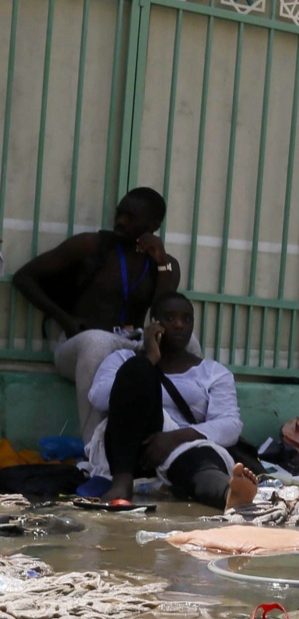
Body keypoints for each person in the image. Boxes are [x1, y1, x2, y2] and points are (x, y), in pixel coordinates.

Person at [13, 188, 183, 443]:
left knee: (186, 342)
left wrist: (161, 262)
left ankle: (181, 439)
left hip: (131, 346)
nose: (121, 221)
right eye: (119, 213)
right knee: (97, 341)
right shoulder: (92, 246)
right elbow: (23, 278)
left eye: (131, 217)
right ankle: (95, 451)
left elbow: (163, 315)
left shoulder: (164, 264)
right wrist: (65, 320)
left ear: (153, 225)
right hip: (82, 346)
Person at [84, 292, 257, 510]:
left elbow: (230, 425)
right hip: (131, 448)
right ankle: (122, 483)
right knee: (137, 370)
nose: (178, 325)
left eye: (186, 319)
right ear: (153, 323)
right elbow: (99, 398)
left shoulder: (213, 372)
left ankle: (229, 494)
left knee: (199, 464)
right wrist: (149, 360)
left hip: (184, 446)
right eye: (170, 318)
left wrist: (174, 438)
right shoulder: (122, 359)